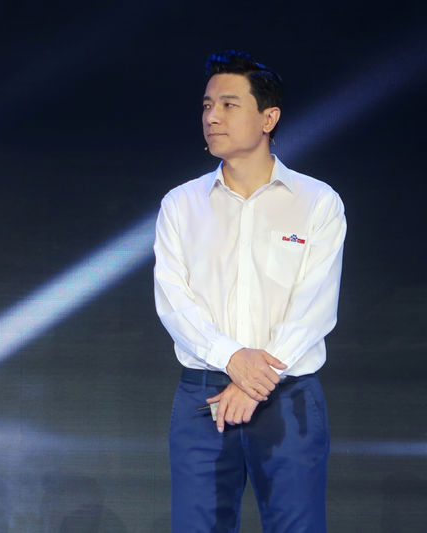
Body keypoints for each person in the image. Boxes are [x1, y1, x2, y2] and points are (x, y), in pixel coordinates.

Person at [153, 50, 346, 532]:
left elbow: (314, 307)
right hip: (203, 399)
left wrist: (253, 380)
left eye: (229, 104)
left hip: (290, 400)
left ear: (268, 117)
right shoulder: (181, 204)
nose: (211, 116)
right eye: (206, 106)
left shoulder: (317, 201)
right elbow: (174, 301)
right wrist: (232, 359)